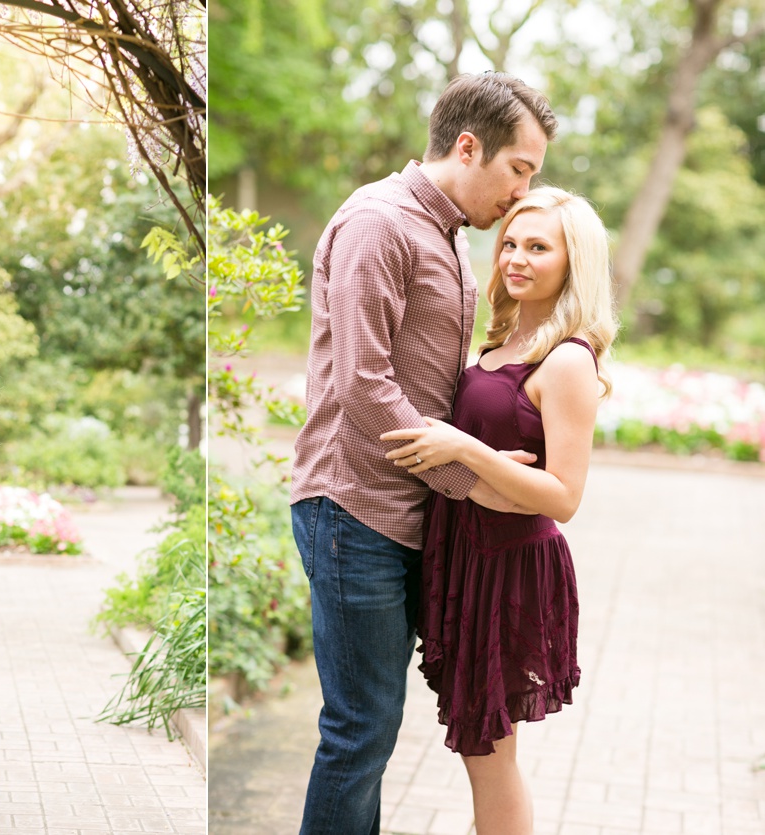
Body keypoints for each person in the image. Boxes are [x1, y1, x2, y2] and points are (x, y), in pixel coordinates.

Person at [289, 72, 558, 835]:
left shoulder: (443, 233)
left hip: (406, 513)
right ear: (468, 147)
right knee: (358, 729)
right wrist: (476, 484)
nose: (521, 190)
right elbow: (366, 386)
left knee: (373, 730)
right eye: (519, 170)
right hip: (353, 508)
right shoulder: (379, 223)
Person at [381, 187, 618, 835]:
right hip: (468, 554)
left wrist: (465, 452)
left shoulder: (567, 358)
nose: (515, 257)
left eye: (538, 247)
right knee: (480, 752)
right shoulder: (507, 336)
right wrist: (477, 476)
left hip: (510, 565)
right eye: (510, 241)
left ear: (576, 262)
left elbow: (565, 496)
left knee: (489, 755)